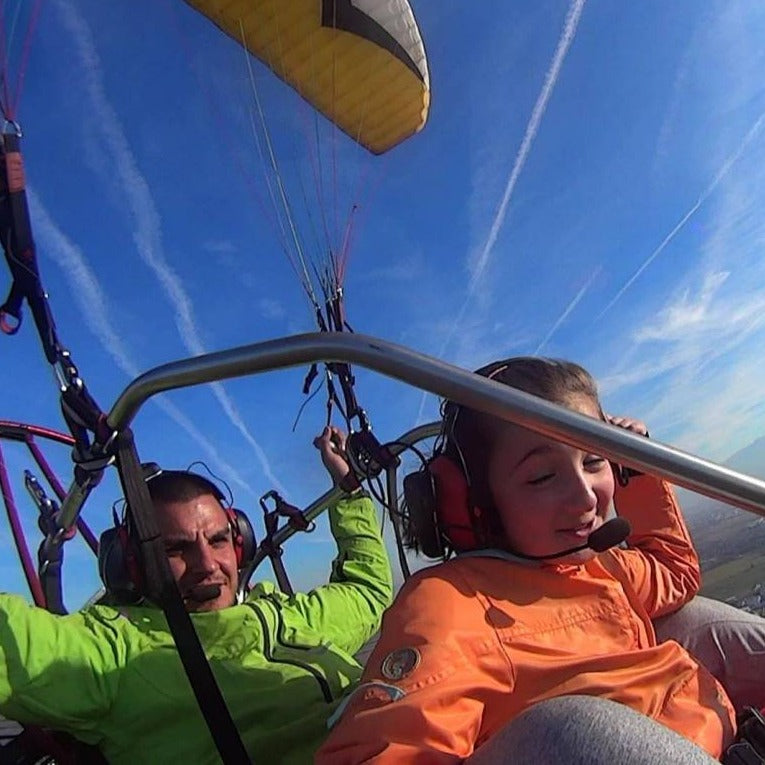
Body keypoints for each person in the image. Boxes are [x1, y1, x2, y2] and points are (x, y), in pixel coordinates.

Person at [317, 357, 765, 764]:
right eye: (542, 476)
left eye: (594, 459)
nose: (585, 496)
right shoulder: (449, 602)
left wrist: (640, 472)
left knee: (714, 624)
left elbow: (676, 573)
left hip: (724, 736)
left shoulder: (598, 564)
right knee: (577, 730)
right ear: (476, 501)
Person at [0, 425, 392, 763]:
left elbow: (368, 590)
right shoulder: (112, 651)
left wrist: (347, 487)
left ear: (240, 544)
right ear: (133, 564)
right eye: (175, 549)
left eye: (218, 540)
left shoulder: (287, 613)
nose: (207, 564)